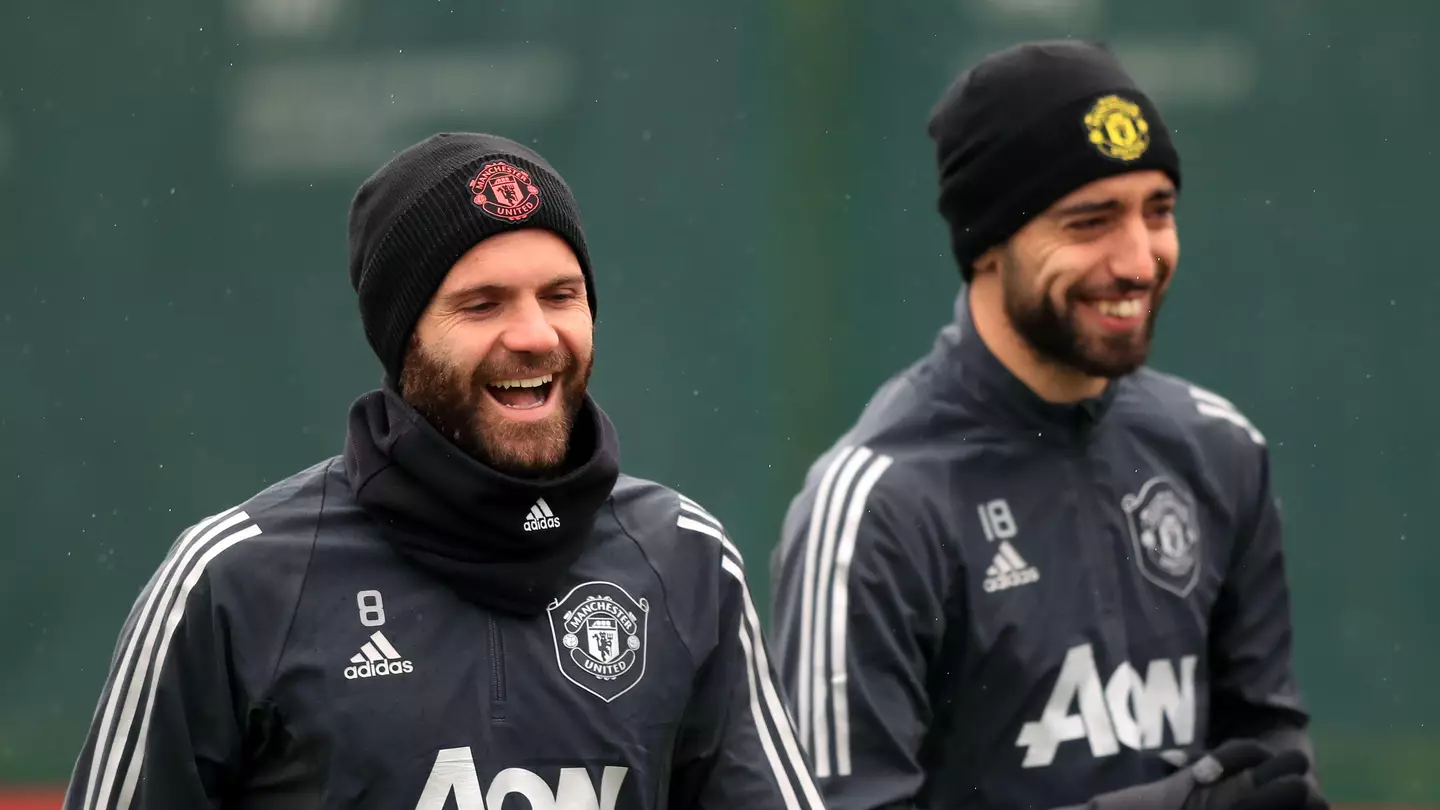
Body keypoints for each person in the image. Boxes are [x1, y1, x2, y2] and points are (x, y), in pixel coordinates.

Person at [63, 132, 821, 810]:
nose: (533, 335)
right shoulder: (234, 582)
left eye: (561, 295)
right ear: (404, 340)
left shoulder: (684, 561)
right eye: (482, 304)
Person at [767, 41, 1326, 810]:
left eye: (1157, 210)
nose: (1138, 259)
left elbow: (1270, 755)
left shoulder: (1220, 449)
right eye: (1090, 221)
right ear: (989, 245)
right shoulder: (877, 507)